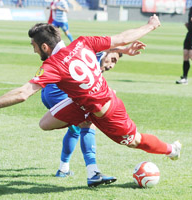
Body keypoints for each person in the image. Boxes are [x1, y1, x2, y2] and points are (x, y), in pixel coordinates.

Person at [0, 15, 182, 187]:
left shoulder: (53, 65)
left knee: (136, 141)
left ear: (45, 46)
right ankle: (87, 160)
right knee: (44, 124)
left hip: (108, 110)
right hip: (83, 105)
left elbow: (23, 93)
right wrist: (150, 25)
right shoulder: (83, 42)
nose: (34, 51)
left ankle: (171, 149)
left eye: (34, 47)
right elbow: (122, 37)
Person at [43, 41, 145, 187]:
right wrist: (124, 49)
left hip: (50, 92)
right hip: (58, 93)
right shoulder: (94, 55)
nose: (111, 65)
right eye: (113, 59)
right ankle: (92, 173)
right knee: (88, 122)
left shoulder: (96, 61)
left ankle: (63, 169)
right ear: (109, 51)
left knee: (75, 129)